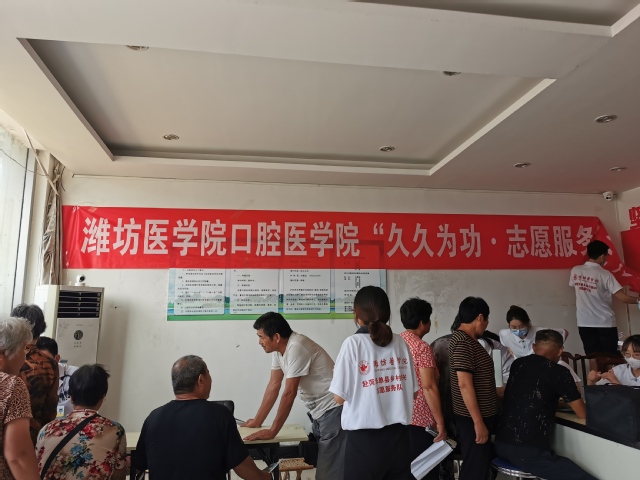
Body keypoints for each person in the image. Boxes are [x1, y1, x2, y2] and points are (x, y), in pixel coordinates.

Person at [330, 286, 418, 480]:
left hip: (365, 443)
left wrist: (338, 374)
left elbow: (338, 398)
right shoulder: (401, 343)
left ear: (356, 313)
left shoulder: (353, 344)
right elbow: (414, 393)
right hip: (399, 439)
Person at [243, 312, 344, 480]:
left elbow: (289, 392)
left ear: (276, 337)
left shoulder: (297, 346)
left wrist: (273, 431)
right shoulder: (278, 351)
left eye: (261, 337)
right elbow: (274, 385)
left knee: (329, 471)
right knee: (329, 467)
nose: (259, 342)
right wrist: (257, 421)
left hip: (333, 410)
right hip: (319, 413)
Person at [135, 355, 270, 480]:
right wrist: (267, 477)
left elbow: (140, 464)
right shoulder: (220, 415)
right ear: (200, 380)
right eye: (208, 374)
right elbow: (243, 468)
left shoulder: (153, 418)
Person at [495, 330, 596, 480]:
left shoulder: (518, 364)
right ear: (560, 350)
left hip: (500, 444)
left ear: (534, 347)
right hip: (528, 452)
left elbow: (531, 397)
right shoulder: (559, 372)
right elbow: (583, 414)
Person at [35, 364, 127, 480]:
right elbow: (118, 476)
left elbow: (36, 468)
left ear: (71, 397)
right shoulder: (115, 430)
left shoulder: (47, 429)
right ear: (102, 398)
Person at [448, 297, 498, 480]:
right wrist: (478, 422)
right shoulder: (463, 342)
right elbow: (464, 384)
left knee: (478, 468)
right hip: (472, 419)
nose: (486, 325)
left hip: (477, 417)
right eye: (487, 319)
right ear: (480, 317)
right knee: (475, 470)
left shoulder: (467, 340)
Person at [399, 297, 446, 480]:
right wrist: (440, 422)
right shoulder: (421, 347)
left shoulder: (396, 343)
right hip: (421, 421)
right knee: (424, 471)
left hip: (400, 417)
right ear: (422, 323)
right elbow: (429, 386)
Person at [569, 240, 639, 359]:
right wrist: (638, 300)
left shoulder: (575, 270)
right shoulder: (605, 274)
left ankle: (594, 372)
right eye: (606, 256)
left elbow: (573, 285)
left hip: (584, 321)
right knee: (610, 357)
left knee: (592, 356)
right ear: (602, 256)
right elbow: (624, 298)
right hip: (604, 322)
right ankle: (608, 372)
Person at [10, 304, 59, 445]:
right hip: (31, 436)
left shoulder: (6, 356)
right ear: (41, 328)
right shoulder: (50, 363)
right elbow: (50, 405)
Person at [0, 315, 41, 480]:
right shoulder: (11, 386)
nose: (25, 358)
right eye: (24, 349)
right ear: (7, 351)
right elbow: (18, 455)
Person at [498, 305, 568, 359]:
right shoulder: (505, 334)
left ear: (527, 323)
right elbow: (505, 346)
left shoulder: (540, 332)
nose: (518, 330)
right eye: (513, 327)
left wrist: (554, 349)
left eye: (521, 326)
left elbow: (564, 332)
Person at [36, 336, 79, 416]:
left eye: (46, 360)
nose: (40, 366)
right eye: (36, 361)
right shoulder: (28, 376)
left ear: (57, 358)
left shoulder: (76, 376)